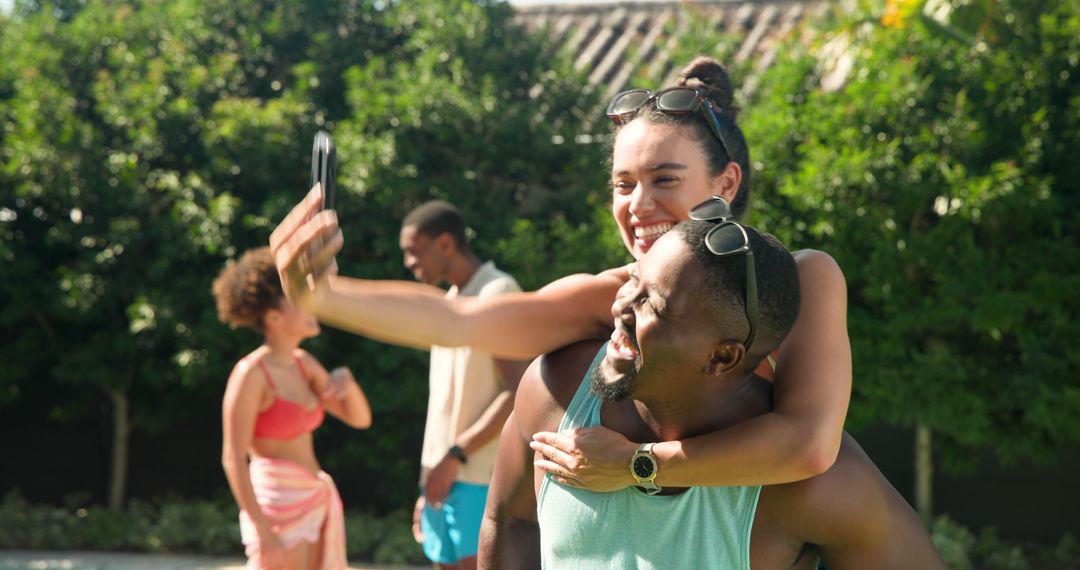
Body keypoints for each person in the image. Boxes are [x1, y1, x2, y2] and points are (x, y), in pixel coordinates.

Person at [269, 56, 850, 496]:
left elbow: (808, 444)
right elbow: (458, 319)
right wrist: (323, 296)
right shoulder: (610, 295)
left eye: (664, 179)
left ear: (726, 183)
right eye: (623, 184)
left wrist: (634, 465)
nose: (637, 204)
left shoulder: (806, 280)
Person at [479, 219, 944, 569]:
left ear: (722, 357)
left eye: (653, 305)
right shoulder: (555, 392)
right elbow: (509, 522)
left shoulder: (808, 486)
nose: (621, 307)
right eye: (633, 283)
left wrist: (633, 465)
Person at [213, 246, 373, 570]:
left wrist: (348, 382)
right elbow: (233, 458)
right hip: (276, 503)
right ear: (273, 318)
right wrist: (262, 529)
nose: (311, 306)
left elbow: (359, 419)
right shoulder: (251, 374)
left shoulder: (304, 364)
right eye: (298, 300)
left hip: (313, 495)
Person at [399, 201, 531, 570]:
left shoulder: (498, 291)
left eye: (414, 251)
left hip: (479, 476)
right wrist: (428, 480)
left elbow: (517, 390)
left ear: (445, 243)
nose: (408, 262)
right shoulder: (450, 303)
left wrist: (456, 455)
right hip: (441, 476)